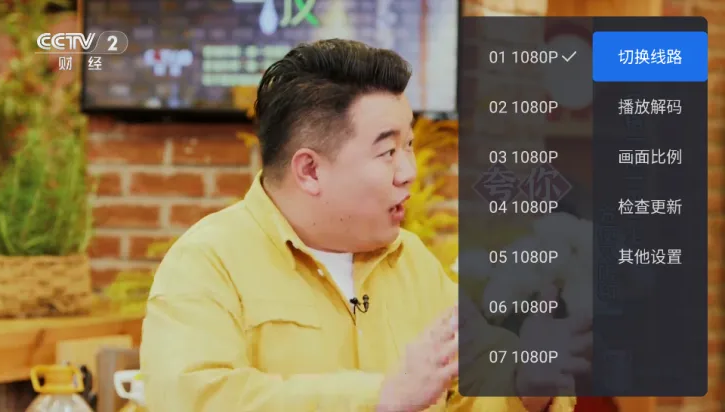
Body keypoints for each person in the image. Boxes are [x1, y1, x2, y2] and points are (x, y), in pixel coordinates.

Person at [140, 39, 589, 411]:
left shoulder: (412, 262)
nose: (409, 171)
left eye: (408, 145)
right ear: (310, 171)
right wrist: (380, 399)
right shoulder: (208, 261)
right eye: (388, 151)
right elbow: (195, 399)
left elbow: (472, 387)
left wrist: (528, 386)